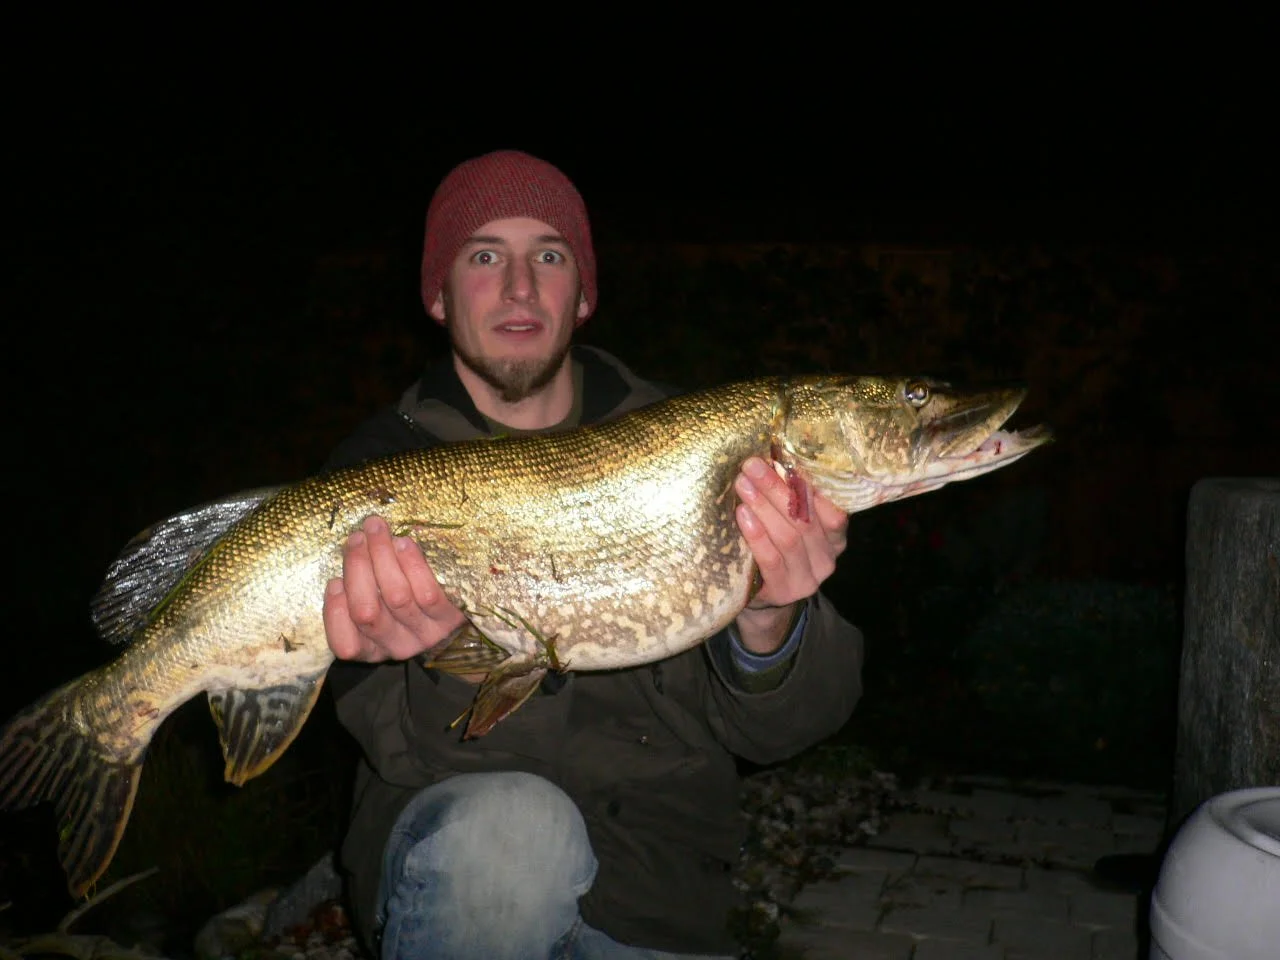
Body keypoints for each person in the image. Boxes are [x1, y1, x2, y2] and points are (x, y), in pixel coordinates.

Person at [320, 149, 865, 960]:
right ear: (437, 295)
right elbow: (413, 749)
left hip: (657, 890)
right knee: (513, 833)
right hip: (461, 864)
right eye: (483, 257)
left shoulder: (697, 449)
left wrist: (771, 622)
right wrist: (451, 659)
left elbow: (788, 730)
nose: (519, 286)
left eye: (549, 256)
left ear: (583, 293)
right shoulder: (371, 485)